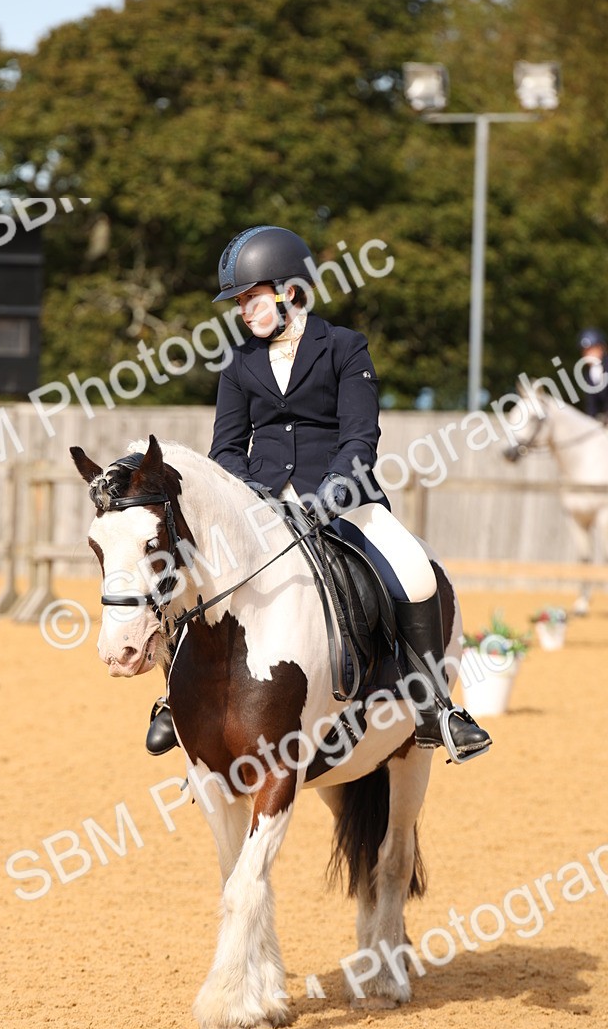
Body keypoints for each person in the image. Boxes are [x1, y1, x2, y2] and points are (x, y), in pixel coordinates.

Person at [146, 225, 491, 763]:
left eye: (250, 298)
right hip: (259, 502)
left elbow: (360, 435)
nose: (242, 311)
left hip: (343, 496)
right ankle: (176, 697)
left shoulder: (345, 347)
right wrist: (249, 495)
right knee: (192, 572)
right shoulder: (238, 362)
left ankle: (436, 708)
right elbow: (227, 447)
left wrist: (332, 489)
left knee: (414, 571)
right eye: (239, 302)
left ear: (290, 292)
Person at [577, 329, 608, 421]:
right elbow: (591, 406)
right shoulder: (588, 375)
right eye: (585, 352)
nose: (588, 355)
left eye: (592, 350)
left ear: (602, 348)